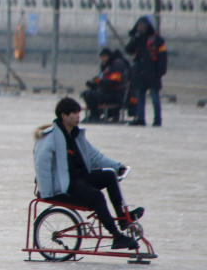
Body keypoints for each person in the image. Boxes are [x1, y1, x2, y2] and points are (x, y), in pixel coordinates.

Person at [33, 97, 143, 250]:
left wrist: (117, 167)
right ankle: (116, 237)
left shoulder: (76, 135)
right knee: (97, 197)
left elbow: (94, 156)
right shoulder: (50, 138)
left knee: (110, 175)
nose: (78, 117)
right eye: (74, 114)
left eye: (79, 114)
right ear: (64, 116)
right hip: (65, 185)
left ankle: (122, 219)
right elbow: (41, 166)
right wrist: (47, 191)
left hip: (80, 178)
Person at [125, 16, 167, 126]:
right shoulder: (137, 38)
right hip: (140, 73)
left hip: (153, 73)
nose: (141, 28)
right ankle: (140, 118)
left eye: (143, 26)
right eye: (139, 26)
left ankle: (157, 120)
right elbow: (128, 50)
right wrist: (135, 38)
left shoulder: (157, 40)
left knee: (155, 98)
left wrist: (160, 71)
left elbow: (163, 57)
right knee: (140, 97)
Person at [81, 48, 128, 122]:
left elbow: (114, 81)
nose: (102, 59)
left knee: (92, 95)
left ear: (108, 56)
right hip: (106, 92)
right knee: (86, 93)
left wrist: (100, 81)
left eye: (104, 57)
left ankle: (96, 115)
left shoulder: (116, 65)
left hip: (115, 94)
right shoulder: (106, 66)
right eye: (101, 57)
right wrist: (93, 84)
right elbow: (102, 79)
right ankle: (94, 114)